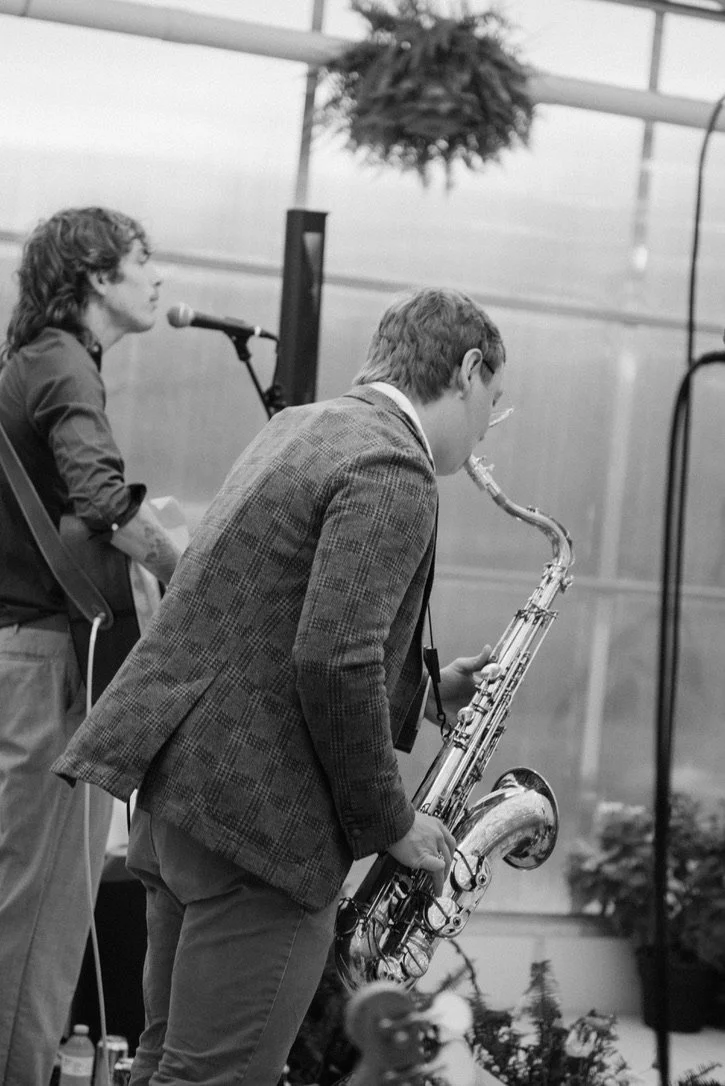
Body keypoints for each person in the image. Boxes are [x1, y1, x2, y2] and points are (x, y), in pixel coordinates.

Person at [51, 286, 508, 1086]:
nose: (483, 430)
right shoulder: (394, 466)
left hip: (180, 802)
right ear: (467, 369)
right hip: (261, 831)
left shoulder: (299, 426)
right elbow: (332, 659)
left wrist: (425, 692)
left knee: (164, 1063)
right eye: (491, 404)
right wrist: (392, 821)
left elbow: (261, 609)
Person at [0, 207, 184, 1086]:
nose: (158, 276)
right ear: (97, 277)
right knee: (38, 917)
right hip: (46, 667)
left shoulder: (35, 360)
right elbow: (102, 500)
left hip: (25, 656)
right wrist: (182, 566)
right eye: (143, 260)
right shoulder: (65, 363)